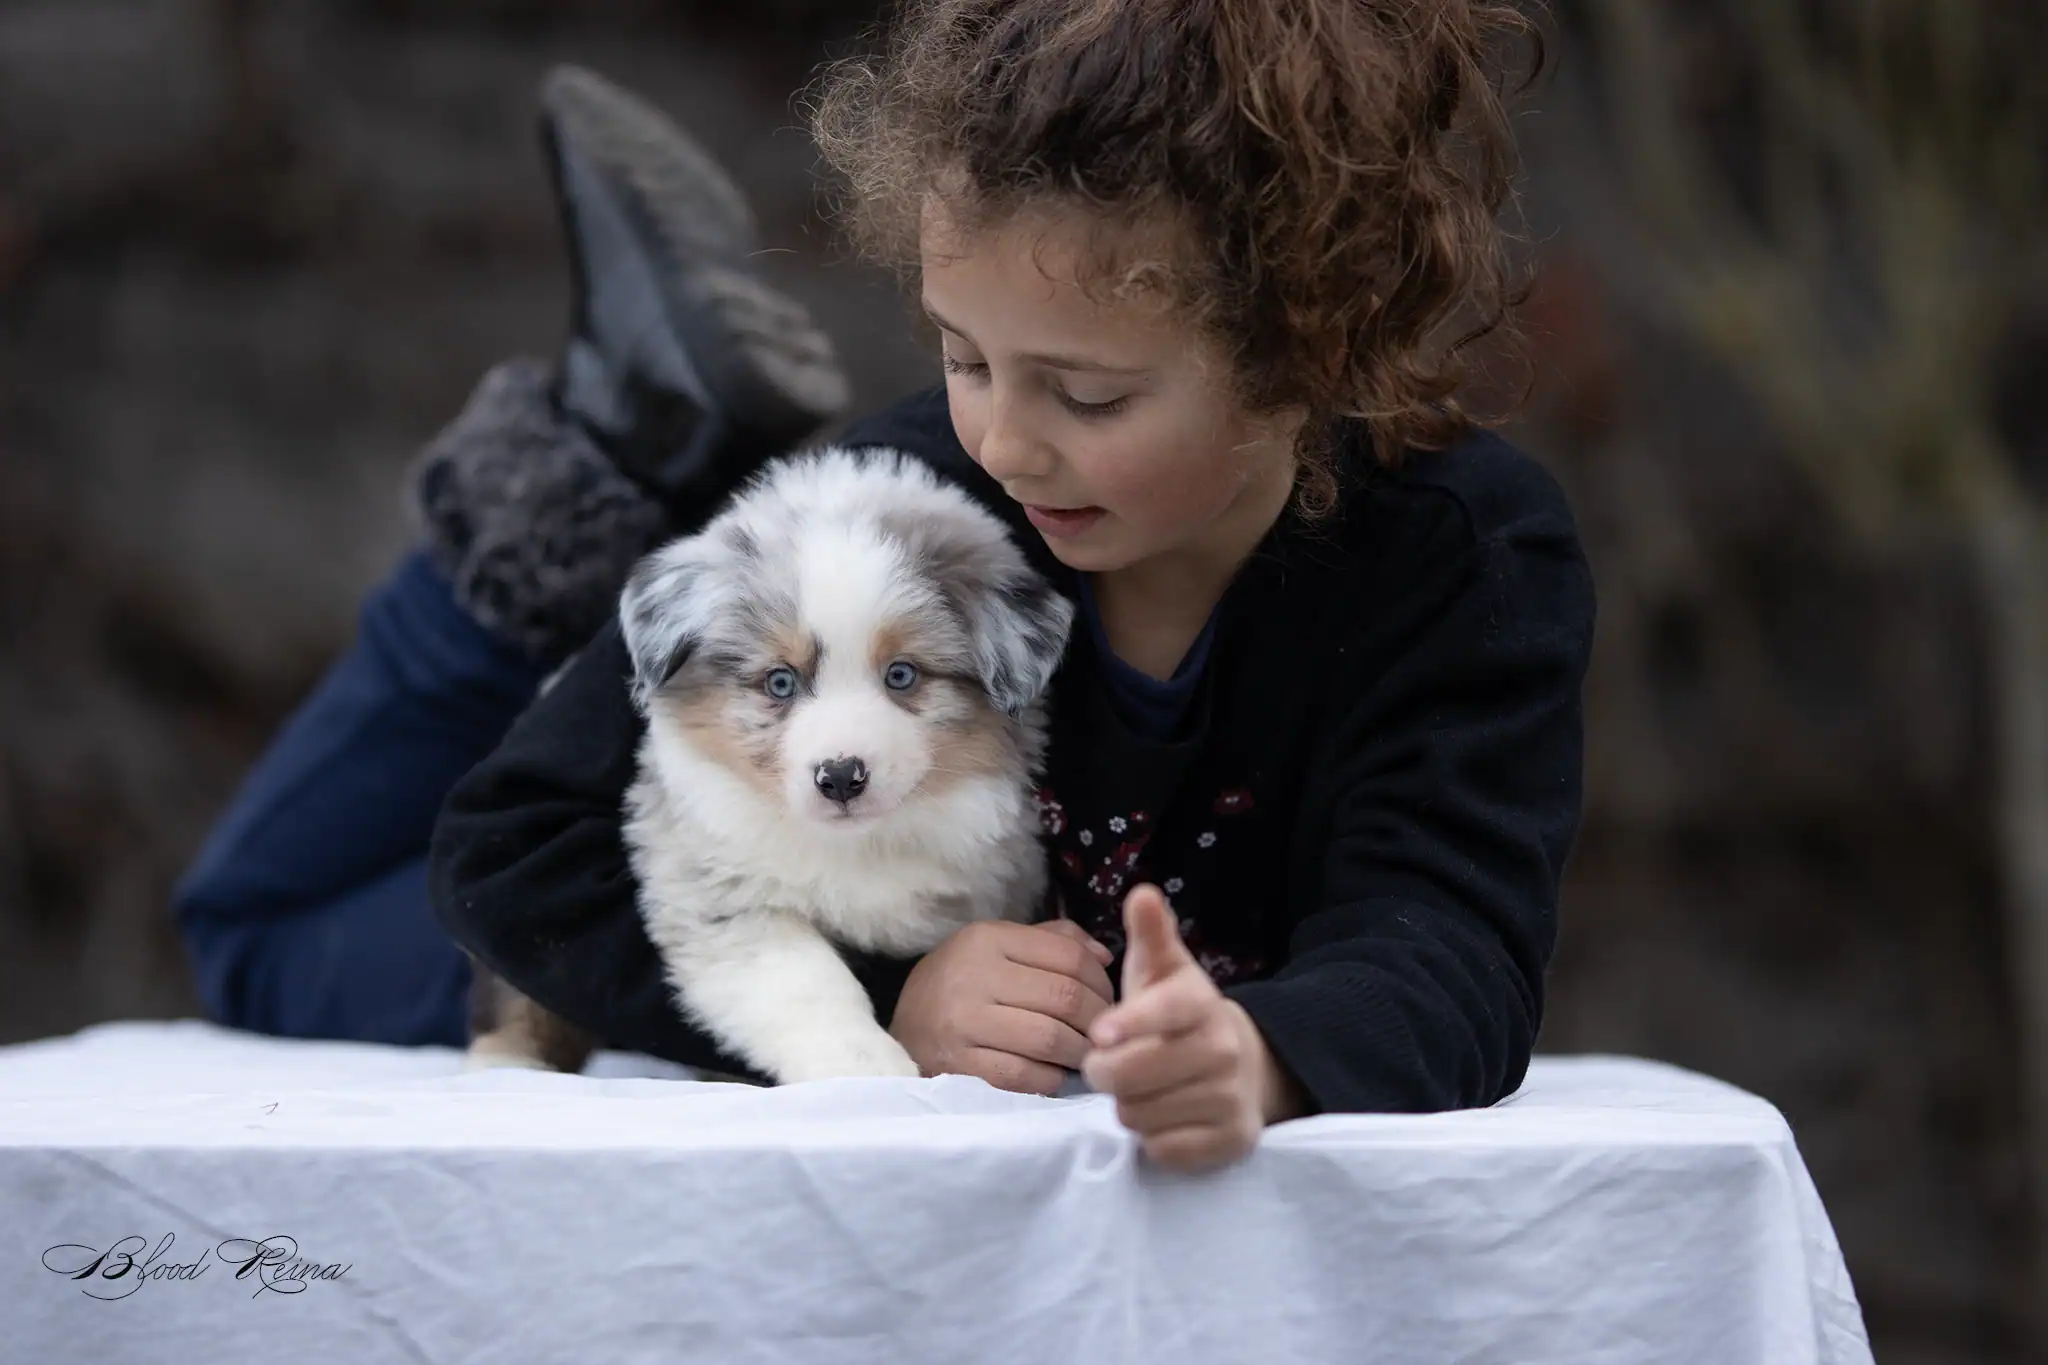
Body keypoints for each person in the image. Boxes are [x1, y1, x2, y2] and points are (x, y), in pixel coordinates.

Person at [429, 0, 1596, 1174]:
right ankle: (554, 493)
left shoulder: (1464, 557)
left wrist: (1253, 1056)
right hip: (668, 920)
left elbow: (1450, 946)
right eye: (961, 358)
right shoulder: (906, 508)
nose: (1004, 445)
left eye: (1086, 397)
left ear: (1312, 349)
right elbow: (508, 847)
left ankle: (642, 462)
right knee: (267, 932)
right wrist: (887, 1003)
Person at [171, 66, 854, 1046]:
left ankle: (644, 452)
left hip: (759, 913)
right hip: (799, 851)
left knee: (248, 931)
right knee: (277, 914)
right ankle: (653, 457)